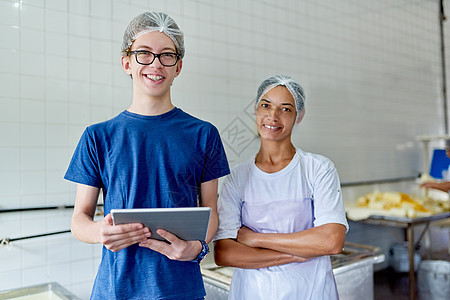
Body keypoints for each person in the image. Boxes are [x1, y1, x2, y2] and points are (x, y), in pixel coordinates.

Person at [64, 12, 230, 299]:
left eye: (167, 55)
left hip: (180, 288)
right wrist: (99, 232)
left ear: (178, 66)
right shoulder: (98, 137)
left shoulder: (203, 134)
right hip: (117, 289)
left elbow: (211, 209)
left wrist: (198, 246)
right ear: (126, 62)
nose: (155, 64)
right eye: (144, 54)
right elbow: (80, 219)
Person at [213, 75, 349, 300]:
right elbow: (224, 253)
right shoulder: (238, 177)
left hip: (311, 292)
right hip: (252, 293)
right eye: (265, 106)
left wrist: (257, 240)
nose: (272, 116)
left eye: (285, 109)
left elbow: (331, 241)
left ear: (299, 116)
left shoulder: (317, 169)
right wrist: (294, 254)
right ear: (255, 111)